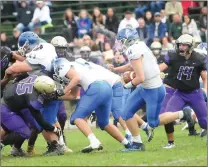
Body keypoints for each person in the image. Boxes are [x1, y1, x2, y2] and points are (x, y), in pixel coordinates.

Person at [109, 28, 195, 151]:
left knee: (153, 123)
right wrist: (116, 70)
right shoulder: (139, 45)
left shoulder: (134, 50)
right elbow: (131, 66)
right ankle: (137, 143)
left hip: (153, 90)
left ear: (129, 39)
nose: (121, 43)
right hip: (145, 88)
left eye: (122, 40)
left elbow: (140, 77)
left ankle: (183, 113)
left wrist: (124, 85)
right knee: (126, 113)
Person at [53, 57, 133, 153]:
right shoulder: (78, 66)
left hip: (97, 87)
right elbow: (73, 95)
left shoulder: (67, 66)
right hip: (106, 87)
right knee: (104, 123)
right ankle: (128, 144)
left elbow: (76, 78)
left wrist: (62, 91)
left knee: (77, 117)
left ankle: (94, 142)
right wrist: (55, 97)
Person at [1, 75, 63, 156]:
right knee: (25, 132)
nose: (52, 94)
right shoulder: (32, 99)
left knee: (34, 127)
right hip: (5, 109)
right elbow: (40, 121)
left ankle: (16, 149)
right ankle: (4, 146)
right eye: (49, 93)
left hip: (16, 106)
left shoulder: (38, 80)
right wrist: (54, 129)